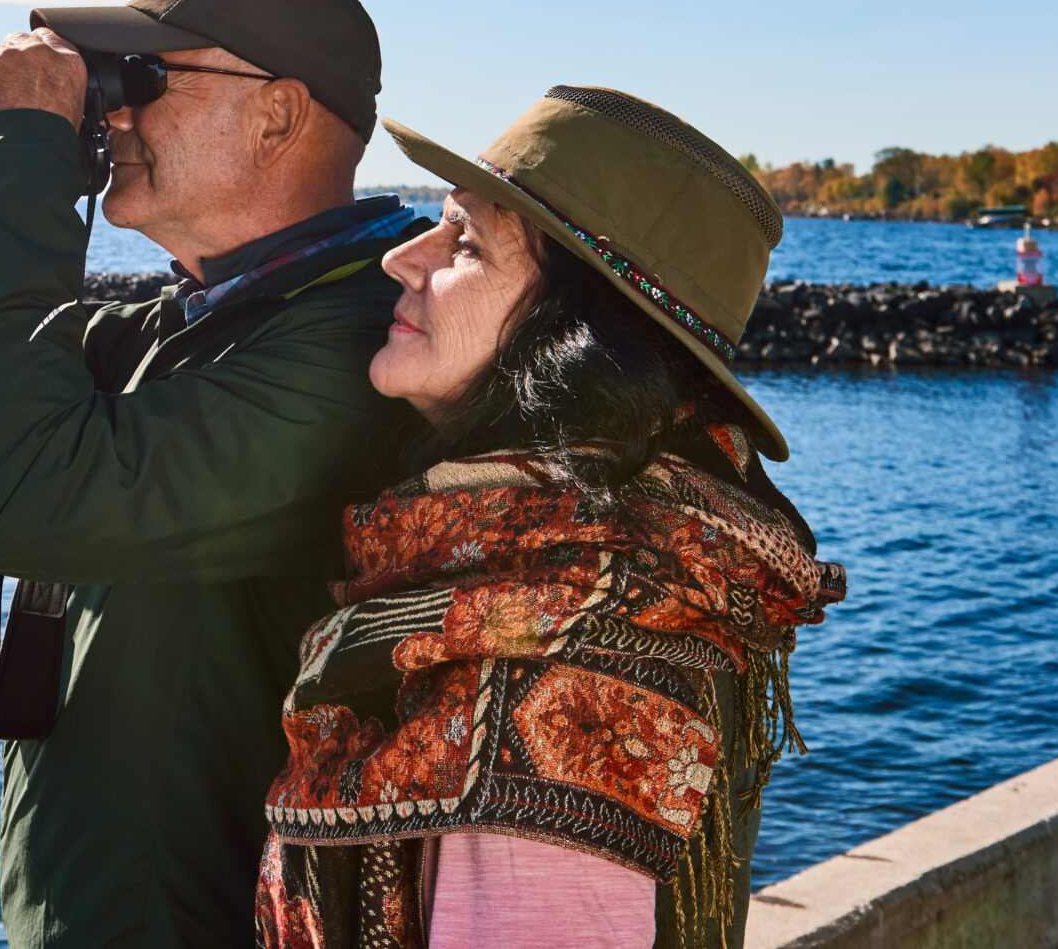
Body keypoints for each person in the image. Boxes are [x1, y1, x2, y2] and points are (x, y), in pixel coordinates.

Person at [0, 0, 431, 947]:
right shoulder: (216, 319)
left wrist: (24, 145)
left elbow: (9, 491)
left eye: (146, 79)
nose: (115, 113)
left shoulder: (352, 353)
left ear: (277, 113)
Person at [256, 87, 847, 949]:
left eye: (466, 241)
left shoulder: (573, 676)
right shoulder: (592, 567)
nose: (402, 259)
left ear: (571, 339)